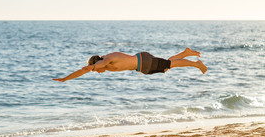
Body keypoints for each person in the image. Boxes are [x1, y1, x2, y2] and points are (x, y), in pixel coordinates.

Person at [53, 48, 207, 82]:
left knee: (169, 64)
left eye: (96, 70)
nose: (97, 72)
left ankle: (197, 64)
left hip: (144, 62)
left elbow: (83, 70)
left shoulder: (104, 61)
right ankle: (186, 53)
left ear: (95, 64)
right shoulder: (105, 61)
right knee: (167, 65)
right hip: (142, 65)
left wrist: (65, 78)